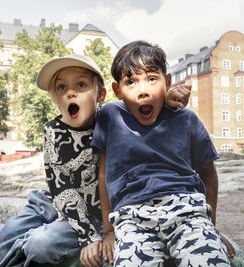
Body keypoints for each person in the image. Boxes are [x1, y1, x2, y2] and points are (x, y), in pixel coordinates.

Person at [0, 54, 191, 267]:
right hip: (51, 202)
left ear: (101, 94)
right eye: (62, 88)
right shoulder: (52, 131)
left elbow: (142, 105)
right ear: (54, 97)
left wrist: (167, 99)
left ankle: (29, 247)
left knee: (40, 244)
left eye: (80, 85)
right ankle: (23, 243)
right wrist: (87, 238)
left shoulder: (112, 118)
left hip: (95, 214)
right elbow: (60, 188)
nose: (70, 93)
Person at [91, 41, 231, 266]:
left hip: (188, 211)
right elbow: (103, 174)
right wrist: (108, 231)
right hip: (132, 217)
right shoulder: (110, 116)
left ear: (167, 82)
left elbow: (208, 174)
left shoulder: (187, 119)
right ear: (117, 90)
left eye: (152, 79)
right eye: (131, 82)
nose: (143, 90)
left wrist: (210, 226)